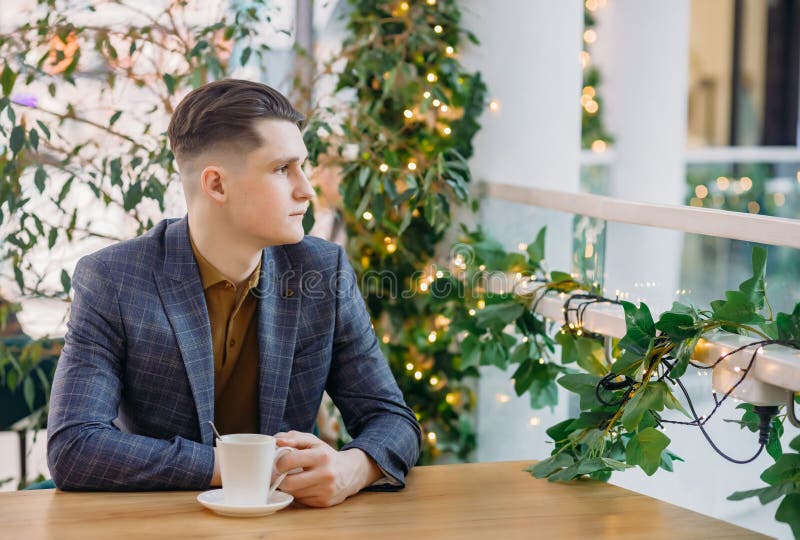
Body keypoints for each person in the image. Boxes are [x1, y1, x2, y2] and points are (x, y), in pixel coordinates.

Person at [46, 79, 421, 507]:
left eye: (302, 166)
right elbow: (74, 447)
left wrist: (351, 468)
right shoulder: (114, 280)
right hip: (159, 522)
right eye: (282, 169)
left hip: (288, 524)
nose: (306, 189)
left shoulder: (322, 270)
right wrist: (246, 466)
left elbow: (393, 420)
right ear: (217, 185)